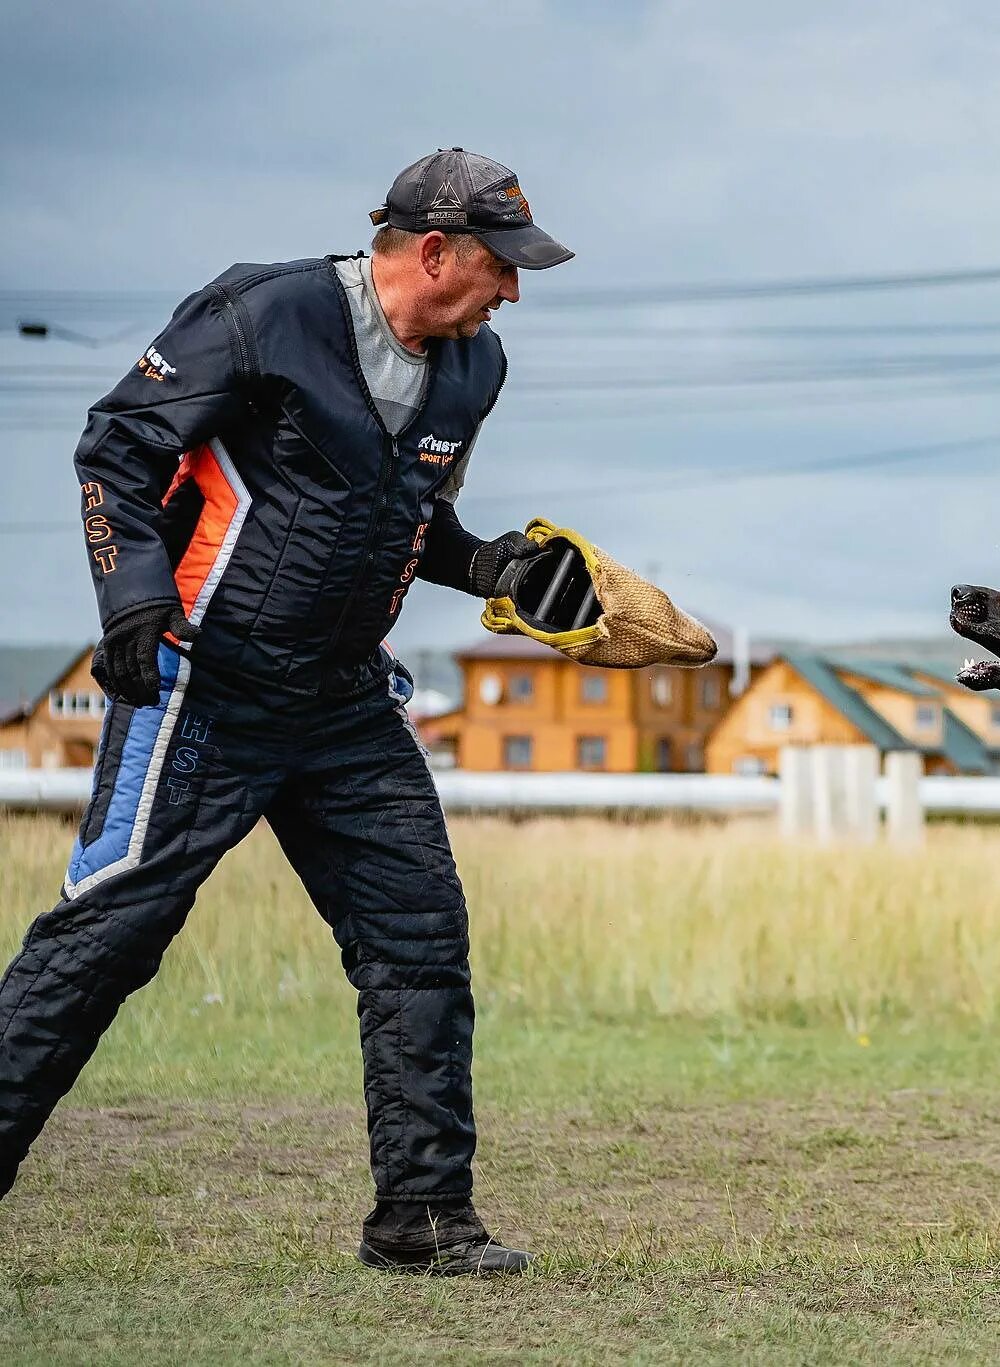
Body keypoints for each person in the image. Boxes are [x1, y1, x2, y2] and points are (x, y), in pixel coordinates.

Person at [0, 149, 573, 1276]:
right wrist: (130, 600)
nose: (513, 291)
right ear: (432, 250)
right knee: (107, 937)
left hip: (346, 701)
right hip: (205, 683)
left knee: (418, 939)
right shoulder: (264, 312)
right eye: (502, 267)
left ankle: (421, 1216)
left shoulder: (475, 368)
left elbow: (405, 517)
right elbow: (117, 448)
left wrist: (496, 569)